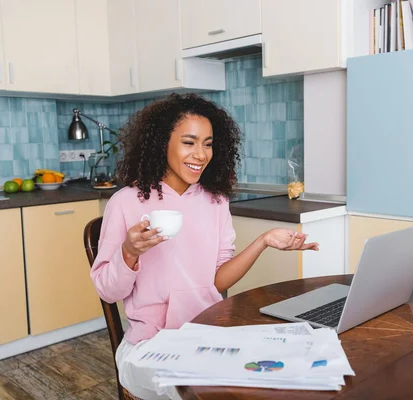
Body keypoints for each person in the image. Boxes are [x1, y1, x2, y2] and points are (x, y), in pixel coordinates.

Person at [90, 93, 318, 399]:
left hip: (206, 335)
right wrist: (129, 252)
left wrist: (263, 242)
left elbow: (217, 281)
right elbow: (108, 291)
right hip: (149, 346)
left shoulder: (215, 201)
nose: (200, 154)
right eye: (189, 142)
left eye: (207, 144)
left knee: (280, 373)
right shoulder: (125, 202)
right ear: (162, 143)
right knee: (209, 392)